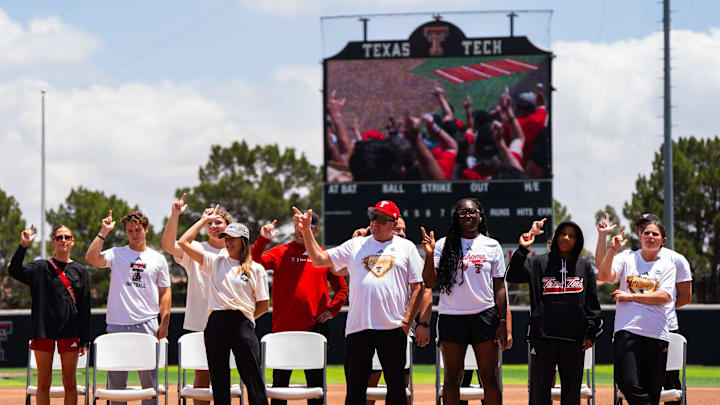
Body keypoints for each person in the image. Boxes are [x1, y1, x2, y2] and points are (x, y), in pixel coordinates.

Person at [294, 201, 423, 405]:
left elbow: (418, 287)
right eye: (373, 217)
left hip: (393, 327)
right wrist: (306, 231)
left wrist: (407, 322)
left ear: (394, 222)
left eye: (381, 219)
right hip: (358, 328)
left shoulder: (406, 248)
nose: (374, 223)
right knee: (355, 390)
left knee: (396, 389)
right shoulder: (356, 244)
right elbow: (319, 259)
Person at [251, 210, 348, 405]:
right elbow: (254, 262)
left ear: (315, 229)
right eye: (298, 225)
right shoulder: (280, 252)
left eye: (307, 225)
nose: (300, 230)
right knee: (279, 388)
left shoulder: (322, 255)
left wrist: (332, 310)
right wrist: (263, 240)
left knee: (315, 388)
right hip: (283, 330)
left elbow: (342, 288)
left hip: (314, 330)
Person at [595, 213, 692, 405]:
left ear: (663, 240)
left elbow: (665, 297)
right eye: (645, 232)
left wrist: (631, 296)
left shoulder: (669, 264)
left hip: (657, 333)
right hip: (627, 331)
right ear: (639, 236)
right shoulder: (627, 258)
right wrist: (609, 246)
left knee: (654, 389)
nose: (649, 236)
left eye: (654, 234)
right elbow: (604, 274)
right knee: (627, 383)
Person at [506, 218, 603, 405]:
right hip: (543, 338)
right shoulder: (537, 263)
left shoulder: (584, 266)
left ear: (578, 241)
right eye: (563, 234)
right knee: (539, 392)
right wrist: (522, 249)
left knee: (571, 395)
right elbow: (512, 275)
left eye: (572, 236)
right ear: (557, 236)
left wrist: (590, 332)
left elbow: (592, 304)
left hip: (574, 339)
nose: (566, 238)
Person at [178, 206, 269, 405]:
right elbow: (183, 242)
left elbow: (263, 304)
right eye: (226, 239)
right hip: (215, 323)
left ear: (243, 241)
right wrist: (204, 220)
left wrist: (247, 319)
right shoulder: (215, 261)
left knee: (253, 378)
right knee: (219, 381)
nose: (228, 242)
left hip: (242, 322)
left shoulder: (256, 269)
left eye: (232, 238)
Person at [421, 198, 508, 405]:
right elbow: (429, 281)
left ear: (480, 215)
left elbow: (500, 287)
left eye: (472, 212)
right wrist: (429, 255)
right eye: (462, 213)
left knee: (489, 378)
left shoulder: (492, 245)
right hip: (452, 317)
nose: (468, 216)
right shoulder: (443, 245)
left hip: (484, 316)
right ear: (455, 217)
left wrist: (503, 322)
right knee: (452, 379)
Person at [85, 210, 171, 405]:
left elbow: (165, 292)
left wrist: (164, 321)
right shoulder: (116, 253)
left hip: (147, 324)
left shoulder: (158, 259)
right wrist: (104, 231)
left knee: (150, 386)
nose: (135, 233)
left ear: (146, 229)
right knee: (115, 386)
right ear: (125, 232)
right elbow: (91, 258)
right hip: (117, 324)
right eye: (130, 230)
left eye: (138, 229)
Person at [352, 217, 432, 405]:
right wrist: (358, 239)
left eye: (403, 230)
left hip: (400, 326)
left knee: (401, 383)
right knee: (370, 381)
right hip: (370, 326)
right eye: (398, 229)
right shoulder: (364, 248)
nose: (402, 233)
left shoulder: (408, 251)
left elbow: (425, 289)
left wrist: (423, 323)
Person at [161, 194, 232, 405]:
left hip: (231, 323)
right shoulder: (197, 249)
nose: (213, 226)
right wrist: (178, 216)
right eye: (209, 223)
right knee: (202, 377)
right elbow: (168, 244)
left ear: (229, 225)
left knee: (225, 377)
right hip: (202, 322)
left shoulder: (237, 251)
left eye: (218, 222)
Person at [9, 224, 91, 405]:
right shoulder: (39, 267)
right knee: (43, 384)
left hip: (70, 330)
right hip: (43, 329)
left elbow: (85, 308)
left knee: (70, 384)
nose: (63, 240)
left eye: (67, 237)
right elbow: (13, 270)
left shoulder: (81, 272)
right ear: (53, 241)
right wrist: (23, 245)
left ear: (72, 241)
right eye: (59, 237)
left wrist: (84, 339)